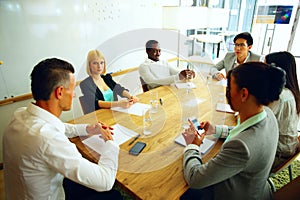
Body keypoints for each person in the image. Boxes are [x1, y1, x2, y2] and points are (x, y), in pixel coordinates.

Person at [3, 58, 122, 199]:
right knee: (113, 195)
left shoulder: (21, 114)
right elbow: (105, 181)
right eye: (72, 90)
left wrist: (88, 129)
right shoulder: (48, 139)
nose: (74, 94)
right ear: (59, 92)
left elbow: (57, 126)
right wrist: (110, 142)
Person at [181, 62, 286, 200]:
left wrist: (192, 144)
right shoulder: (268, 114)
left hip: (231, 194)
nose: (227, 93)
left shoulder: (241, 147)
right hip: (257, 189)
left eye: (229, 88)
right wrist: (216, 130)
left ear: (244, 94)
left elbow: (195, 179)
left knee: (177, 192)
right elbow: (246, 132)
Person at [265, 51, 300, 169]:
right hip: (288, 148)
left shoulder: (279, 97)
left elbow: (255, 126)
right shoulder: (292, 92)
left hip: (276, 155)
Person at [80, 49, 138, 114]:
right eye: (95, 63)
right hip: (100, 115)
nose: (99, 66)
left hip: (115, 112)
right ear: (89, 65)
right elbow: (96, 103)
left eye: (101, 63)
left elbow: (119, 89)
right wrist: (118, 104)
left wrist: (131, 97)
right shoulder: (85, 84)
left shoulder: (107, 78)